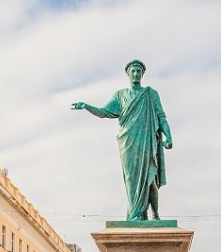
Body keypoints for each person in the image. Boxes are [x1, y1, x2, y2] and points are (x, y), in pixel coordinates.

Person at [72, 60, 174, 221]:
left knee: (150, 178)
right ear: (128, 73)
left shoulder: (151, 94)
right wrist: (86, 106)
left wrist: (169, 136)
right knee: (131, 181)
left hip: (147, 141)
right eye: (133, 71)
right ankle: (137, 215)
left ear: (142, 74)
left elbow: (161, 117)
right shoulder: (120, 95)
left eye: (138, 71)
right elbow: (103, 111)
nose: (136, 74)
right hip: (128, 143)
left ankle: (155, 215)